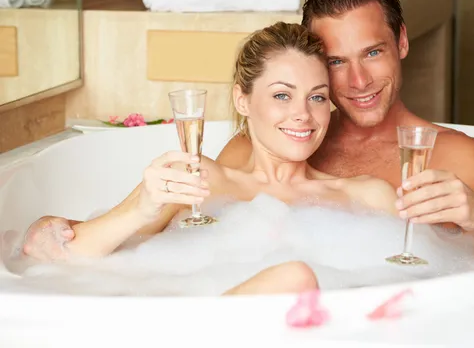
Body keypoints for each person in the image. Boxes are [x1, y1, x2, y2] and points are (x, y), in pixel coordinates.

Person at [22, 0, 474, 265]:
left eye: (372, 53)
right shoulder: (256, 149)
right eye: (334, 61)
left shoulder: (456, 158)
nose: (356, 80)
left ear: (401, 43)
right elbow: (164, 236)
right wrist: (67, 229)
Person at [14, 22, 397, 295]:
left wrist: (461, 215)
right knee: (293, 278)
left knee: (294, 279)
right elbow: (67, 255)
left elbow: (436, 272)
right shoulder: (201, 180)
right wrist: (141, 210)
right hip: (198, 330)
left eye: (316, 97)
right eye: (282, 95)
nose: (303, 114)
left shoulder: (368, 197)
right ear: (242, 100)